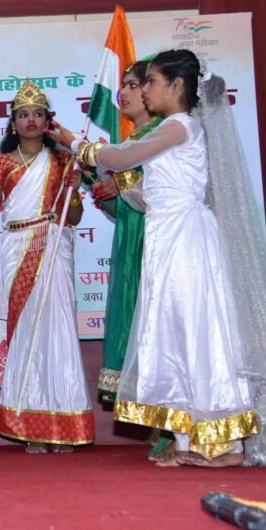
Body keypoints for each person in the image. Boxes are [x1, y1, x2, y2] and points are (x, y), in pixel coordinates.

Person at [52, 49, 266, 467]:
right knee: (171, 336)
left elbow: (121, 157)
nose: (144, 90)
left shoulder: (180, 125)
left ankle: (227, 447)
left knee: (198, 334)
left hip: (187, 242)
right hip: (166, 239)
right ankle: (189, 442)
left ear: (176, 86)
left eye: (151, 81)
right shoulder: (169, 130)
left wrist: (76, 144)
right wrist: (121, 186)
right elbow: (149, 196)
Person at [0, 80, 94, 453]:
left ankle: (65, 423)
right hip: (18, 247)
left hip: (54, 247)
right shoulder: (2, 163)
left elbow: (73, 216)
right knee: (26, 331)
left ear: (47, 120)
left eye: (38, 114)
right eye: (23, 114)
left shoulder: (62, 160)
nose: (31, 120)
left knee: (58, 330)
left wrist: (74, 188)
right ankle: (30, 425)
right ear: (13, 123)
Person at [87, 61, 163, 407]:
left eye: (133, 85)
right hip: (130, 244)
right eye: (124, 85)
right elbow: (123, 209)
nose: (124, 93)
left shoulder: (163, 133)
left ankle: (168, 420)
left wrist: (121, 181)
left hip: (155, 242)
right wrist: (94, 180)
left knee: (156, 327)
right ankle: (155, 421)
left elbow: (157, 193)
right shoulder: (131, 140)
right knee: (133, 322)